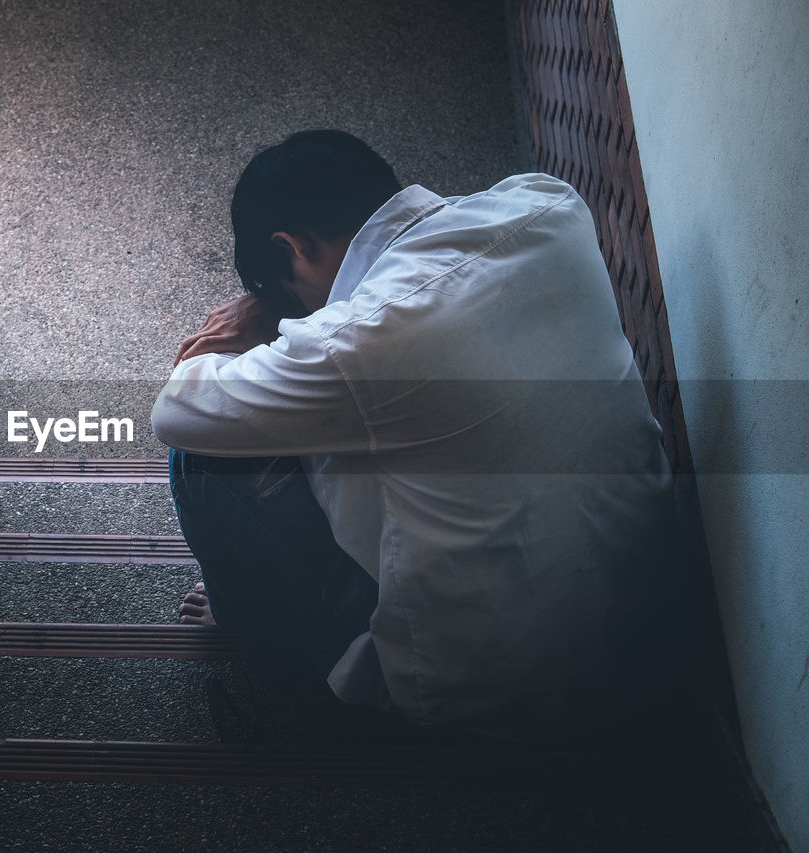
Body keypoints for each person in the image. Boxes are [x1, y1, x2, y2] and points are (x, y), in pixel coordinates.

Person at [150, 129, 678, 740]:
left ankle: (246, 619)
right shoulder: (550, 205)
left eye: (286, 287)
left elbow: (178, 411)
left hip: (478, 685)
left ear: (290, 246)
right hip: (637, 615)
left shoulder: (362, 338)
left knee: (202, 457)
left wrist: (240, 327)